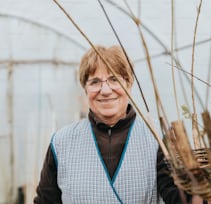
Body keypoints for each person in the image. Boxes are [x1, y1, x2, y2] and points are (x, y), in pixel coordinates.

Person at [34, 45, 194, 204]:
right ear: (85, 89)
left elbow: (179, 198)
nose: (105, 90)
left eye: (114, 79)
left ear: (129, 84)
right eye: (94, 82)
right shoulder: (62, 142)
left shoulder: (157, 139)